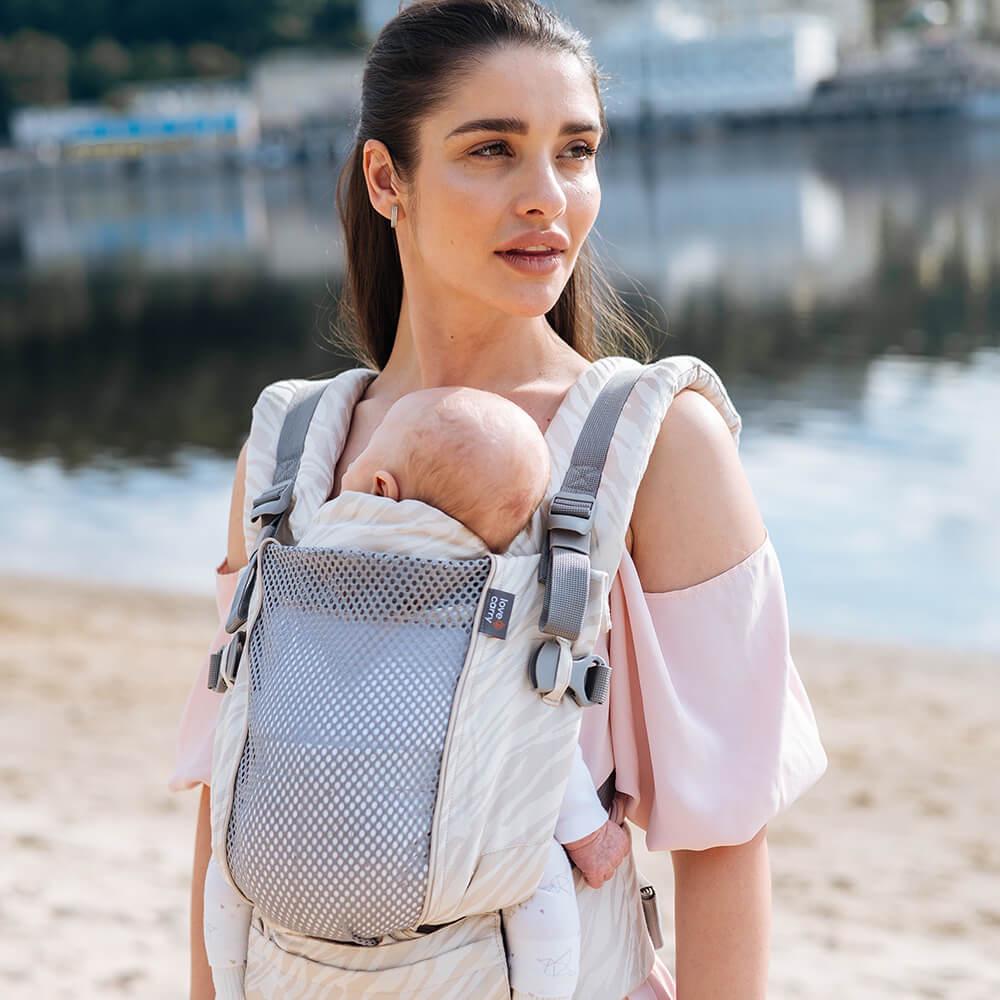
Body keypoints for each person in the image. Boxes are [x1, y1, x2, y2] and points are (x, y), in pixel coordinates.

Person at [168, 1, 828, 996]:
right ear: (388, 178)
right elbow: (229, 792)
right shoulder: (289, 444)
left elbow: (724, 831)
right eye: (492, 150)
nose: (546, 197)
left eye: (575, 151)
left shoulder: (654, 441)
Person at [201, 384, 632, 999]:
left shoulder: (309, 559)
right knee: (537, 878)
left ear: (381, 487)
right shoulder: (482, 613)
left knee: (225, 870)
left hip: (273, 851)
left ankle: (229, 981)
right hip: (416, 871)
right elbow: (535, 753)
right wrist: (590, 835)